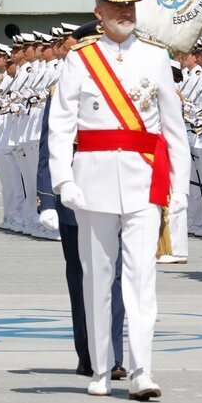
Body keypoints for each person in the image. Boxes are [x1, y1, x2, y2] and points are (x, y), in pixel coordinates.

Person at [49, 0, 191, 400]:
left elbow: (173, 127)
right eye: (116, 8)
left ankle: (142, 369)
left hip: (144, 179)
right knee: (96, 278)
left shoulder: (155, 56)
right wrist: (63, 180)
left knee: (142, 278)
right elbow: (60, 125)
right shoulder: (80, 60)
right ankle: (99, 369)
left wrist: (179, 186)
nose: (126, 14)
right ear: (99, 14)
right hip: (91, 181)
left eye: (131, 7)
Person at [37, 20, 126, 380]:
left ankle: (113, 356)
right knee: (81, 278)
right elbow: (50, 148)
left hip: (115, 193)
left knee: (115, 276)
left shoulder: (124, 90)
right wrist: (46, 199)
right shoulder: (64, 90)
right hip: (75, 197)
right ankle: (88, 354)